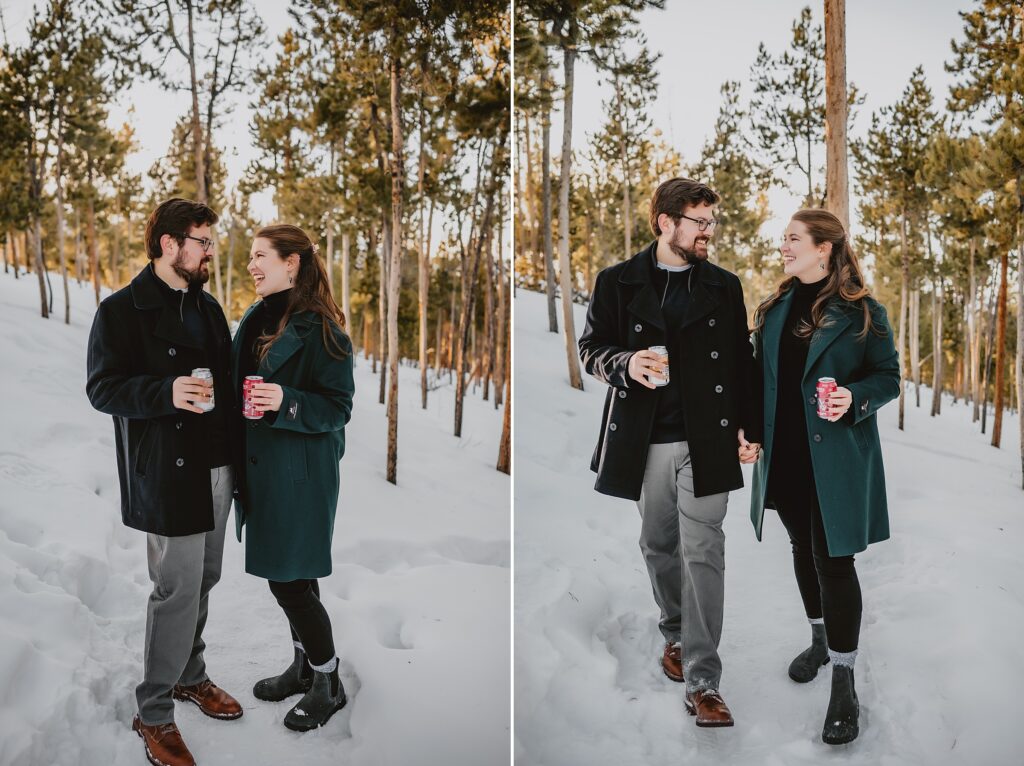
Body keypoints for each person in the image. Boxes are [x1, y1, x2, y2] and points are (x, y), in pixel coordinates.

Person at [578, 178, 761, 728]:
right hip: (644, 438)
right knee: (659, 543)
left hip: (709, 439)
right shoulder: (617, 281)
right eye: (699, 221)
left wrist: (750, 428)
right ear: (665, 221)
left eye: (712, 222)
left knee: (703, 549)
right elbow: (591, 349)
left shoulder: (724, 286)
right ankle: (676, 632)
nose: (710, 231)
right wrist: (626, 365)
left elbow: (741, 361)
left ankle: (705, 681)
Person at [87, 198, 242, 766]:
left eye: (209, 242)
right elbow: (102, 389)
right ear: (169, 244)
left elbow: (222, 386)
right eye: (201, 241)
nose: (209, 252)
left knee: (205, 578)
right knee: (174, 590)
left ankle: (190, 673)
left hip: (216, 468)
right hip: (167, 471)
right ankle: (153, 711)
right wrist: (164, 393)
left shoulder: (208, 309)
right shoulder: (120, 311)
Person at [744, 208, 899, 745]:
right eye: (784, 238)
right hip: (782, 457)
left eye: (793, 239)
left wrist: (855, 397)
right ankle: (818, 637)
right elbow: (757, 379)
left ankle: (843, 677)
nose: (783, 246)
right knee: (799, 547)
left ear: (824, 248)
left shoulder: (863, 313)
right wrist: (747, 432)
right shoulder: (774, 306)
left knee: (833, 561)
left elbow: (889, 377)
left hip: (833, 461)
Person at [232, 223, 355, 732]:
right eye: (252, 257)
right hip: (263, 471)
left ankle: (329, 681)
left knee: (289, 582)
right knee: (294, 577)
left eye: (262, 256)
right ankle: (303, 666)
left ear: (292, 263)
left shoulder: (324, 330)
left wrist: (287, 401)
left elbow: (338, 408)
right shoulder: (256, 316)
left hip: (301, 477)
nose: (252, 265)